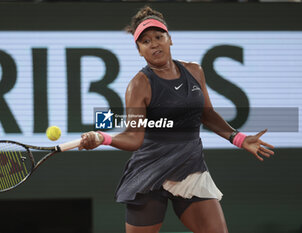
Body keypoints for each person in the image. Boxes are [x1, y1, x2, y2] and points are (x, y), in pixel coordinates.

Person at [79, 6, 274, 233]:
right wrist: (101, 137)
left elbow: (206, 114)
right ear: (139, 51)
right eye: (145, 41)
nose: (153, 44)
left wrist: (238, 138)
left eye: (158, 37)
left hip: (189, 167)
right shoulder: (139, 85)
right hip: (149, 172)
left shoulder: (195, 71)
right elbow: (133, 137)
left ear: (169, 39)